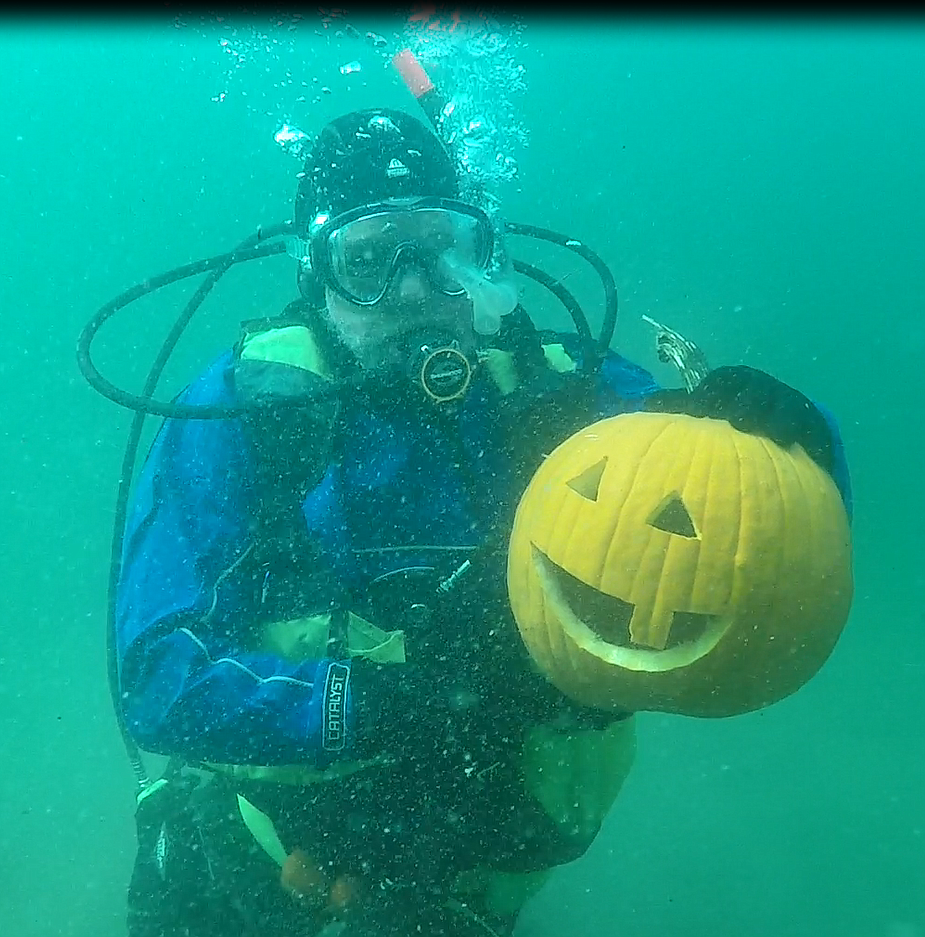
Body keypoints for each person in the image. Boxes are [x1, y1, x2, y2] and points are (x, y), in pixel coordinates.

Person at [116, 107, 851, 937]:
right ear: (312, 274)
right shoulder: (246, 414)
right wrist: (393, 706)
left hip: (483, 876)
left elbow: (751, 513)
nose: (413, 290)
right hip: (272, 857)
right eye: (368, 261)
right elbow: (155, 673)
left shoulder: (560, 388)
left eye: (441, 250)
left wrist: (799, 435)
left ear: (485, 255)